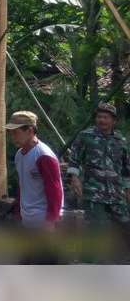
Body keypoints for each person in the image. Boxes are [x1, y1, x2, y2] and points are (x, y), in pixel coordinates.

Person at [7, 110, 64, 264]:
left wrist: (51, 220)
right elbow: (23, 185)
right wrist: (18, 210)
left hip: (43, 220)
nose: (13, 136)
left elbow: (55, 190)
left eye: (16, 132)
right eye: (11, 133)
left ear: (30, 130)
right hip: (28, 218)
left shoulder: (43, 155)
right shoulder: (20, 155)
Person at [67, 102, 130, 227]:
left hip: (116, 194)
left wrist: (127, 189)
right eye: (99, 117)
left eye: (105, 117)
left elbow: (126, 167)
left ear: (113, 121)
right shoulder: (85, 136)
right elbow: (74, 159)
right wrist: (75, 179)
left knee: (125, 226)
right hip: (93, 194)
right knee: (99, 227)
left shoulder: (120, 140)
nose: (101, 120)